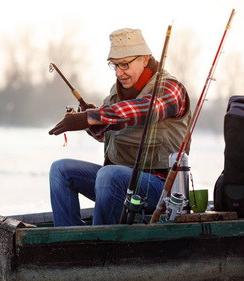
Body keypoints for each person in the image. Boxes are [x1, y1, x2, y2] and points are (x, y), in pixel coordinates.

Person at [48, 28, 191, 226]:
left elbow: (146, 109)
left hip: (162, 190)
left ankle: (102, 245)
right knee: (60, 169)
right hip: (119, 184)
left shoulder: (171, 88)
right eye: (114, 65)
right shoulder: (117, 94)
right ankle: (69, 242)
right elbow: (109, 134)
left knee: (109, 174)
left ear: (144, 59)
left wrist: (91, 117)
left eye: (124, 64)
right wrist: (90, 122)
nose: (118, 73)